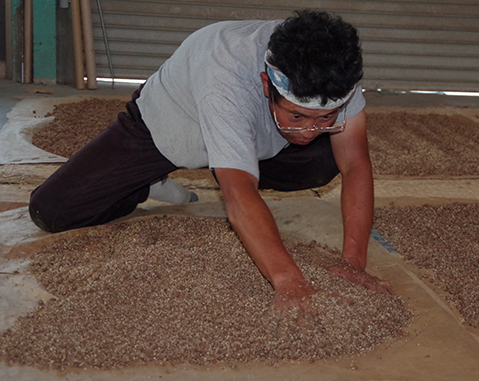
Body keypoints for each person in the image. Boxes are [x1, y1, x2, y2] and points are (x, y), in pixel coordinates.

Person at [29, 10, 393, 309]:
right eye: (298, 116)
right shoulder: (226, 73)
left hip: (251, 141)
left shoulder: (333, 71)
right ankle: (145, 181)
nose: (310, 131)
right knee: (53, 209)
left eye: (325, 119)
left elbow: (355, 165)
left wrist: (353, 263)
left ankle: (237, 154)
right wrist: (289, 281)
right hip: (167, 132)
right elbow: (236, 194)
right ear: (268, 85)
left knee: (323, 158)